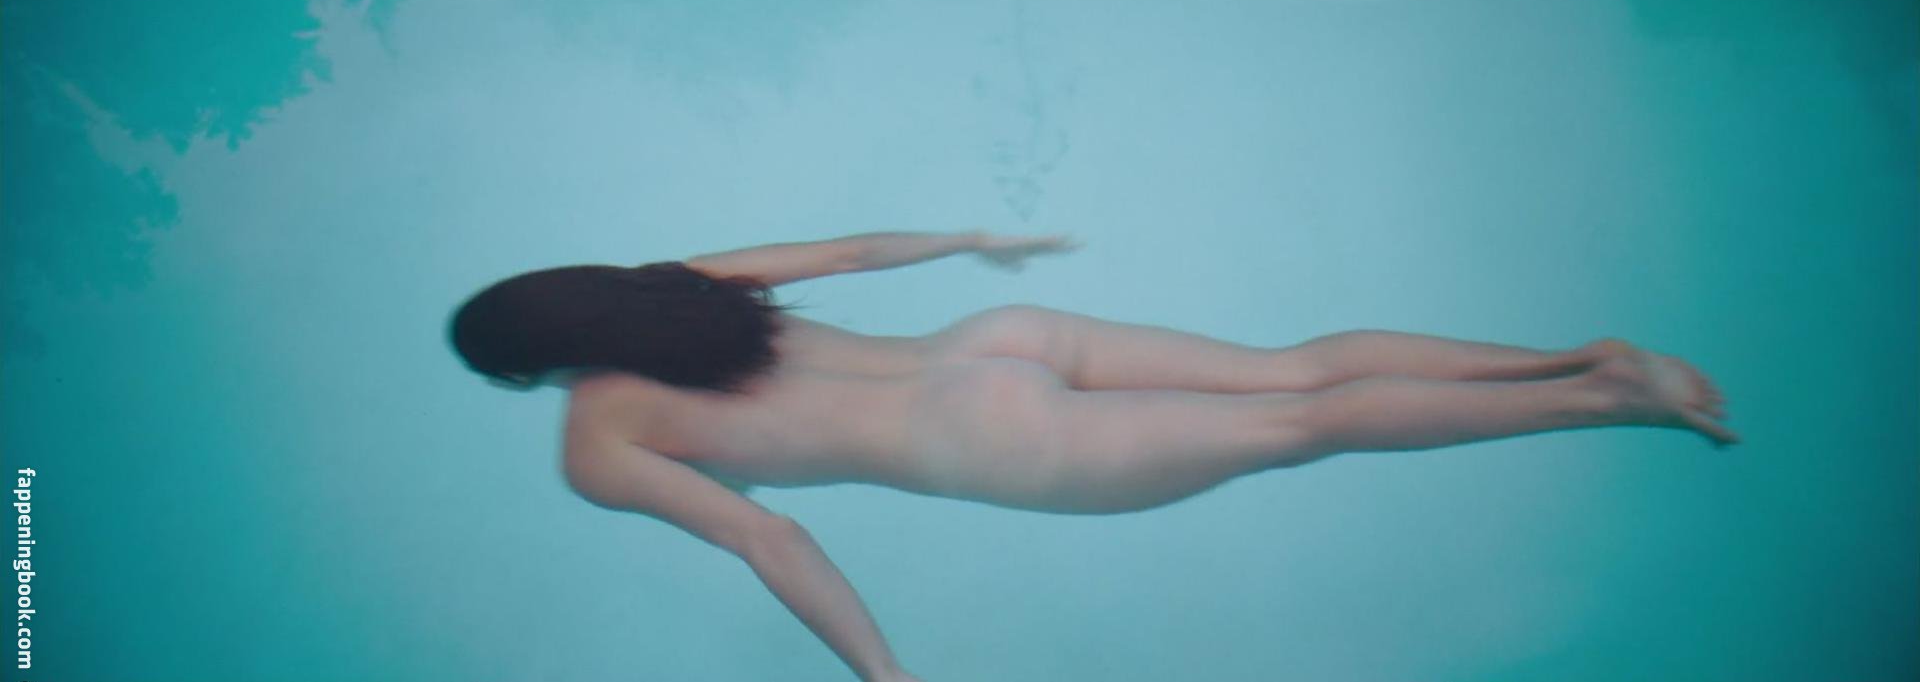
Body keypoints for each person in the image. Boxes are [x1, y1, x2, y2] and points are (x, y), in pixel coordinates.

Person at [447, 230, 1734, 682]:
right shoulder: (664, 285)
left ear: (522, 372)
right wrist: (973, 241)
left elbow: (768, 534)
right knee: (1297, 371)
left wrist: (887, 672)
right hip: (995, 341)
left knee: (1311, 426)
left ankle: (1612, 400)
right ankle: (1573, 358)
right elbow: (847, 254)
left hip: (998, 437)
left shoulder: (596, 440)